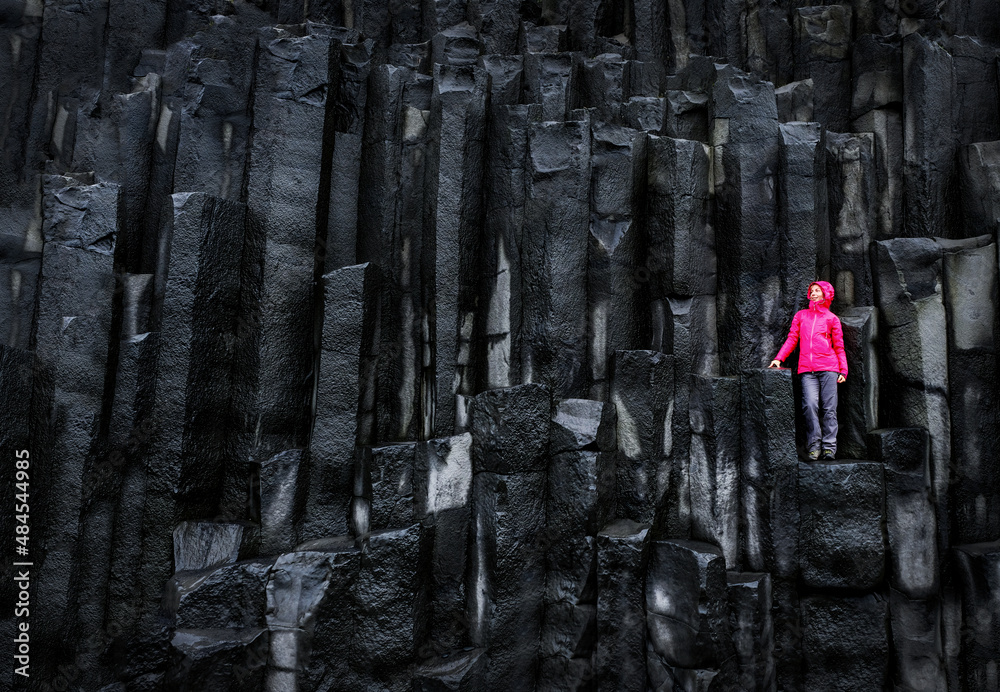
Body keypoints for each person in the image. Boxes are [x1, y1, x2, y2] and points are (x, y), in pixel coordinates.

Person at [768, 281, 847, 461]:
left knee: (829, 409)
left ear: (826, 294)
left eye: (817, 291)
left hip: (829, 368)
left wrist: (843, 370)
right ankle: (814, 447)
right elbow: (792, 339)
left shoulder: (832, 318)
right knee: (809, 405)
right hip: (807, 370)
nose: (813, 293)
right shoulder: (801, 316)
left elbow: (839, 347)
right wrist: (778, 358)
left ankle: (829, 448)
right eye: (811, 291)